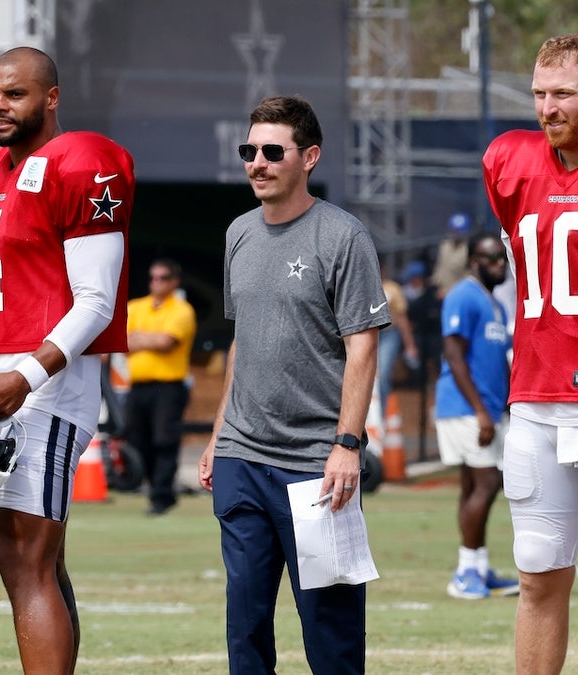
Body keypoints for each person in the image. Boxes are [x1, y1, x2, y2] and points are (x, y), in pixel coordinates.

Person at [197, 95, 389, 674]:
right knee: (246, 628)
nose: (257, 162)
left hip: (316, 462)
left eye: (272, 151)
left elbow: (363, 345)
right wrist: (215, 437)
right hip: (241, 457)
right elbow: (244, 342)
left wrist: (348, 445)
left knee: (331, 636)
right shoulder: (238, 233)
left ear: (309, 157)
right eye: (249, 151)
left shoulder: (343, 236)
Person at [0, 46, 133, 674]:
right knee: (32, 558)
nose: (0, 106)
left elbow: (94, 301)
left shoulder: (82, 159)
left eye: (15, 94)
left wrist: (26, 375)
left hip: (47, 381)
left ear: (51, 98)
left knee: (26, 559)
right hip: (1, 372)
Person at [482, 33, 578, 674]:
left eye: (564, 94)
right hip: (535, 398)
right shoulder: (510, 160)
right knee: (537, 575)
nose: (547, 107)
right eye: (539, 93)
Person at [434, 232, 520, 600]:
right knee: (487, 484)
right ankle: (465, 572)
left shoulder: (496, 305)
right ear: (473, 262)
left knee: (475, 486)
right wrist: (482, 412)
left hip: (486, 409)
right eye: (490, 258)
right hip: (466, 408)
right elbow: (454, 356)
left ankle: (478, 568)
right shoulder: (463, 296)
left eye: (502, 258)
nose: (499, 264)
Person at [125, 258, 196, 516]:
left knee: (164, 440)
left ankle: (162, 495)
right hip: (139, 386)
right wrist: (149, 339)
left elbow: (167, 342)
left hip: (168, 386)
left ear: (174, 281)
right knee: (137, 439)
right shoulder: (136, 306)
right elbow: (123, 342)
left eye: (163, 277)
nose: (157, 282)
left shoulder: (182, 310)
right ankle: (155, 488)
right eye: (153, 277)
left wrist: (138, 338)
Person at [377, 262, 419, 406]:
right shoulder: (359, 286)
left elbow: (402, 318)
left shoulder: (393, 288)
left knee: (383, 374)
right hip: (367, 334)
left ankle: (381, 416)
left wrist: (410, 346)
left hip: (389, 334)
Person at [432, 212, 471, 299]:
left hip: (459, 294)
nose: (454, 234)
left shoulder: (468, 249)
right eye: (452, 230)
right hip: (439, 292)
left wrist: (449, 291)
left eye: (457, 231)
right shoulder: (445, 246)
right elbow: (439, 268)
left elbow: (468, 277)